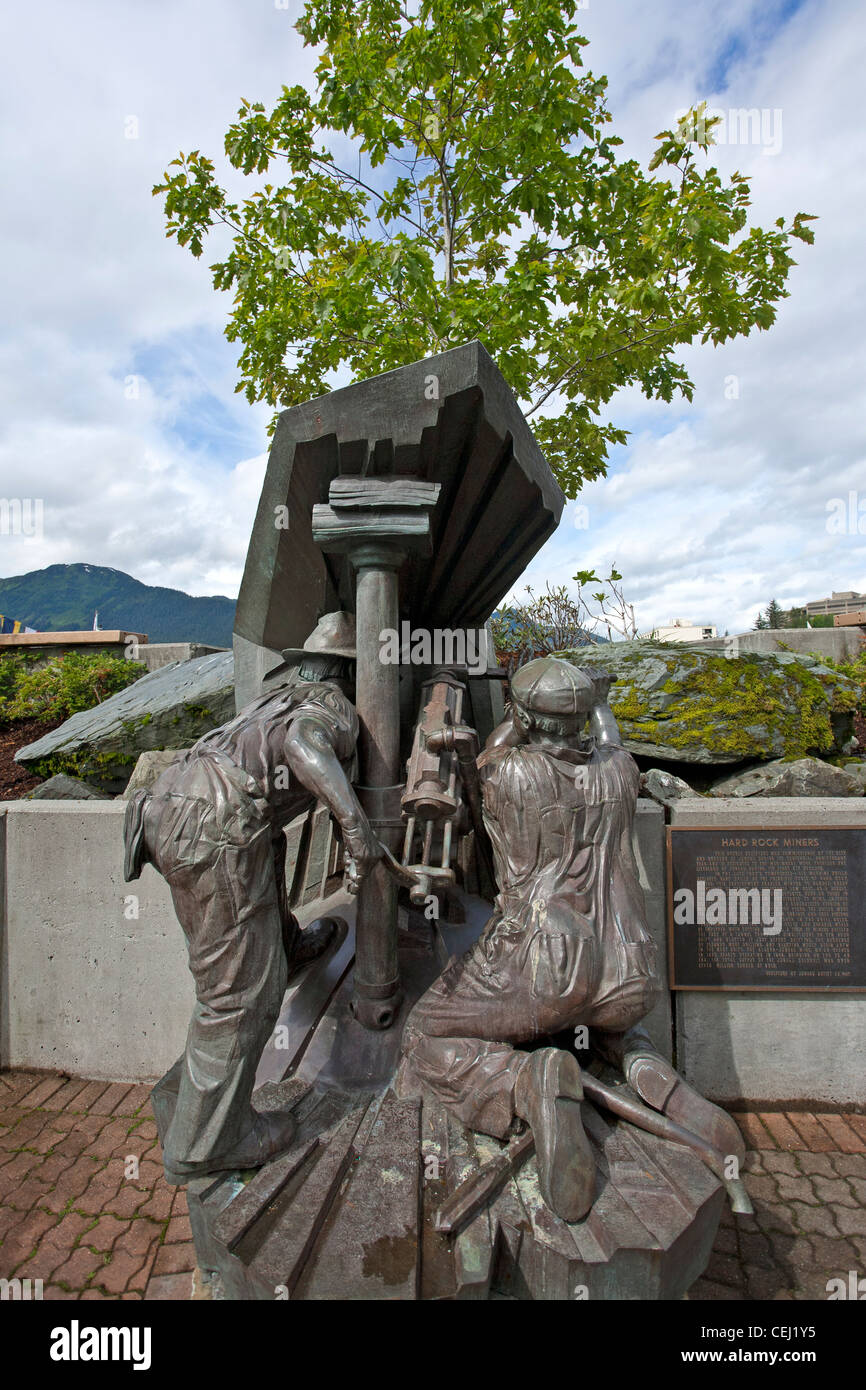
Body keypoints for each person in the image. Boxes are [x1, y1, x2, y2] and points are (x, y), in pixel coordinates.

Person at [397, 655, 742, 1223]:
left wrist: (505, 712)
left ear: (525, 716)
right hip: (628, 975)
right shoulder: (621, 770)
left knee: (424, 1032)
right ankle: (640, 1061)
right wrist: (596, 701)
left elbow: (492, 752)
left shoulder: (510, 776)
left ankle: (523, 1081)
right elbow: (607, 737)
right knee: (605, 1019)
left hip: (546, 969)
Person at [123, 612, 381, 1184]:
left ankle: (284, 949)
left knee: (249, 930)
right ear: (347, 672)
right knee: (239, 996)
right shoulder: (329, 705)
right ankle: (209, 1141)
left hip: (172, 802)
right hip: (213, 822)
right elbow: (304, 745)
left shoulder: (274, 698)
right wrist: (357, 828)